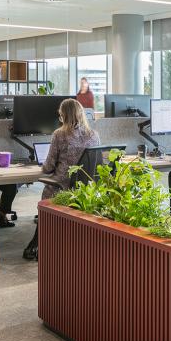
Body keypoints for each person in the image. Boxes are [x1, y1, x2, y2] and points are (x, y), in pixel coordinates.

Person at [24, 98, 100, 260]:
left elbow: (49, 166)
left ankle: (37, 245)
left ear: (64, 115)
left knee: (48, 190)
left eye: (60, 115)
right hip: (85, 190)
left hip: (62, 186)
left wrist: (40, 167)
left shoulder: (60, 134)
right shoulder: (94, 135)